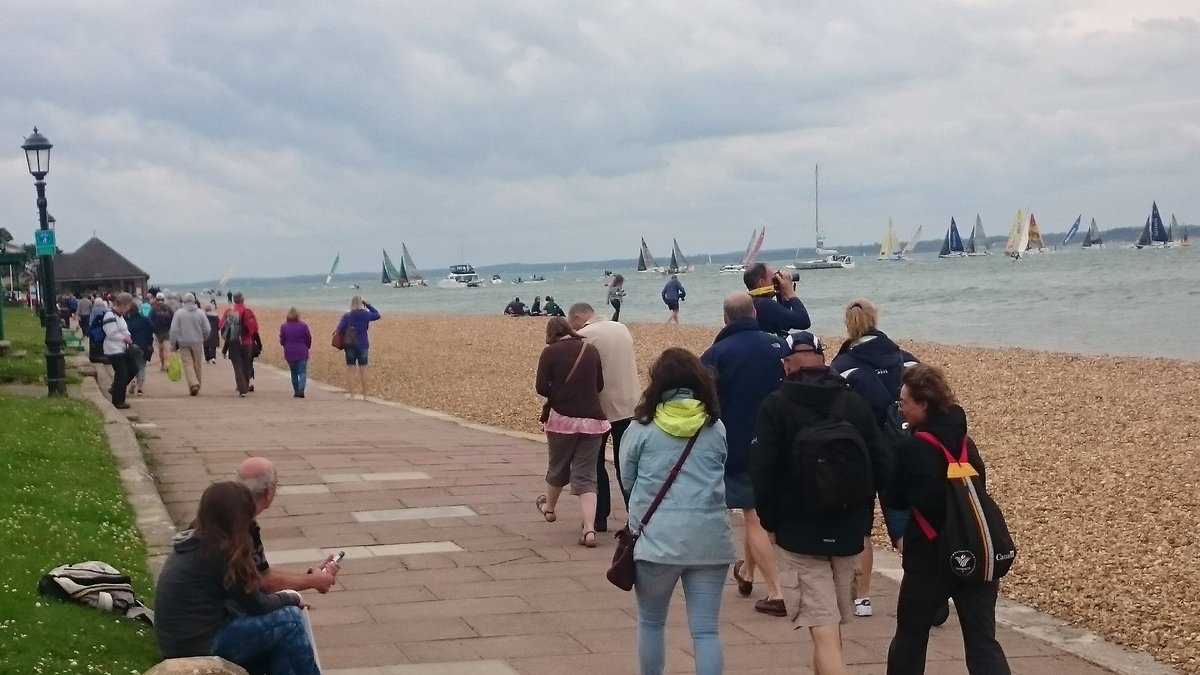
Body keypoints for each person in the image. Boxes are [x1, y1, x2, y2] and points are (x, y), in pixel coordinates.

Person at [749, 330, 890, 675]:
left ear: (786, 365)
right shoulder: (852, 402)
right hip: (847, 529)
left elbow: (763, 472)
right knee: (832, 626)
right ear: (824, 361)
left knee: (823, 630)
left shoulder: (776, 405)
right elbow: (882, 463)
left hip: (798, 532)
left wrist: (771, 523)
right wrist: (861, 512)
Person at [886, 365, 1011, 675]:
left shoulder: (912, 448)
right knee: (982, 641)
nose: (900, 408)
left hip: (929, 555)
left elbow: (895, 498)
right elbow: (978, 486)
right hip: (975, 549)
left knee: (911, 637)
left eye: (904, 402)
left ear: (924, 404)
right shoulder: (967, 444)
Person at [620, 347, 736, 675]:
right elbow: (722, 466)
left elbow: (627, 479)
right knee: (706, 629)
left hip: (657, 540)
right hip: (710, 539)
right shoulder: (715, 427)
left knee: (651, 622)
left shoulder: (641, 428)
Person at [153, 481, 319, 673]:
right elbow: (258, 605)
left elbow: (245, 600)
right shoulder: (221, 552)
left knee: (279, 643)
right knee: (291, 620)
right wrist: (292, 597)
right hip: (201, 646)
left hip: (180, 643)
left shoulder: (198, 541)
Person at [830, 298, 920, 618]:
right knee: (904, 521)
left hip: (863, 454)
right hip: (903, 449)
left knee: (863, 528)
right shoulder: (905, 359)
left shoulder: (842, 366)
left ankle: (863, 598)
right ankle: (921, 585)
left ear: (848, 324)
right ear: (876, 319)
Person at [700, 292, 787, 617]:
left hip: (740, 443)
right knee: (758, 513)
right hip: (781, 439)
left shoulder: (716, 354)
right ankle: (748, 571)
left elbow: (705, 403)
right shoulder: (780, 346)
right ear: (754, 314)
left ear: (725, 318)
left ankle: (777, 592)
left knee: (754, 515)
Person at [534, 317, 610, 547]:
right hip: (593, 421)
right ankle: (589, 529)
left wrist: (558, 390)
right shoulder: (590, 350)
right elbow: (599, 385)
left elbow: (541, 387)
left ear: (551, 333)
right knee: (586, 476)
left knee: (558, 466)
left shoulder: (550, 352)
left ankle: (549, 509)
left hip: (562, 421)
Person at [569, 302, 641, 533]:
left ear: (578, 317)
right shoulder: (621, 328)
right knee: (626, 464)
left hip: (600, 407)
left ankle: (599, 517)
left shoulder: (585, 335)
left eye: (572, 324)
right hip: (629, 404)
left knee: (595, 463)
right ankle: (636, 514)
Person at [236, 458, 342, 593]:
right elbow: (265, 582)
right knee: (291, 602)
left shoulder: (234, 512)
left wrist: (311, 573)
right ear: (268, 493)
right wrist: (315, 581)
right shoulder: (242, 526)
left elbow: (263, 570)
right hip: (223, 604)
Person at [741, 262, 811, 337]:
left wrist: (783, 297)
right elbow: (803, 321)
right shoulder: (765, 304)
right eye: (774, 279)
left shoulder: (750, 302)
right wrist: (791, 294)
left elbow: (784, 325)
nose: (777, 282)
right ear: (762, 283)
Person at [335, 296, 381, 400]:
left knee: (351, 369)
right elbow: (377, 314)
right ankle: (365, 395)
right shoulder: (365, 314)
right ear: (361, 304)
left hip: (350, 345)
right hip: (363, 344)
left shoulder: (347, 316)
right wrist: (367, 304)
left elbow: (339, 329)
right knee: (363, 369)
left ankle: (352, 395)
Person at [169, 292, 212, 396]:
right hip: (197, 342)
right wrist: (203, 338)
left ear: (184, 301)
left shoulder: (179, 313)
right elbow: (207, 329)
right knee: (197, 364)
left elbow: (174, 329)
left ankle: (193, 384)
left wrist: (173, 343)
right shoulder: (200, 313)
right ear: (194, 301)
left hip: (183, 342)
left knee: (187, 364)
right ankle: (197, 384)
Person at [101, 293, 137, 410]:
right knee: (122, 373)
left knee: (132, 369)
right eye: (128, 306)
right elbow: (111, 333)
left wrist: (127, 336)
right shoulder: (110, 315)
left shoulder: (119, 316)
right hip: (114, 349)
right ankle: (118, 400)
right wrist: (124, 337)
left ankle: (116, 389)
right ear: (122, 304)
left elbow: (124, 330)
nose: (129, 308)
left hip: (121, 348)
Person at [220, 292, 260, 397]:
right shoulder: (248, 311)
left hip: (233, 342)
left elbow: (221, 326)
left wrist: (224, 348)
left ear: (233, 300)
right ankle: (245, 385)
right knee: (246, 364)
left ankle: (242, 388)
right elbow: (255, 328)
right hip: (247, 342)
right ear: (243, 299)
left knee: (237, 366)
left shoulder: (229, 311)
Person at [279, 308, 312, 398]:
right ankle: (301, 389)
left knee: (293, 372)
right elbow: (308, 338)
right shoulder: (303, 326)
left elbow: (282, 340)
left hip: (289, 352)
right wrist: (307, 346)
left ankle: (296, 391)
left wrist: (285, 345)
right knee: (302, 372)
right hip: (302, 351)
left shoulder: (284, 327)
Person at [125, 302, 155, 397]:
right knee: (141, 367)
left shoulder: (126, 321)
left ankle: (133, 380)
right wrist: (149, 343)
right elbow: (150, 333)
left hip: (130, 345)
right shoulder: (145, 320)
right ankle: (140, 388)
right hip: (143, 346)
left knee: (130, 366)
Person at [150, 292, 175, 372]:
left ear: (156, 299)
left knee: (161, 350)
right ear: (163, 299)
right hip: (167, 331)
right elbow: (173, 319)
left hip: (158, 333)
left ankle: (163, 365)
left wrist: (154, 329)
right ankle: (168, 364)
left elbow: (150, 320)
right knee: (167, 350)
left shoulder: (153, 308)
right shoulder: (168, 308)